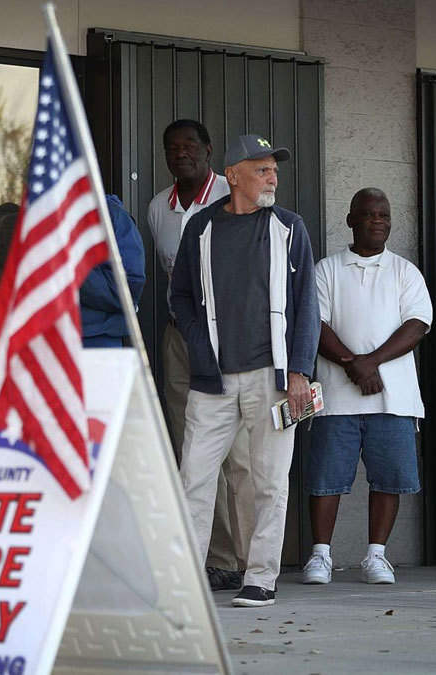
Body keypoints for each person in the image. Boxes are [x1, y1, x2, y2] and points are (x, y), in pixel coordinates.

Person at [171, 133, 319, 608]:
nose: (272, 177)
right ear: (232, 176)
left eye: (274, 169)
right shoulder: (200, 228)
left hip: (272, 378)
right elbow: (179, 296)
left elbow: (307, 305)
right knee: (194, 479)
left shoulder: (289, 228)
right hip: (212, 380)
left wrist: (299, 371)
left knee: (269, 482)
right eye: (261, 170)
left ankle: (261, 578)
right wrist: (197, 341)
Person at [302, 188, 432, 586]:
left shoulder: (405, 271)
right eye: (369, 214)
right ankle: (320, 556)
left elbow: (418, 325)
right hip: (336, 399)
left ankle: (376, 556)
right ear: (350, 220)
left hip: (393, 399)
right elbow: (314, 323)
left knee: (389, 479)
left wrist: (370, 362)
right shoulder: (326, 269)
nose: (378, 220)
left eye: (384, 215)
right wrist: (353, 365)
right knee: (325, 479)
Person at [147, 119, 248, 592]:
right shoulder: (158, 208)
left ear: (209, 151)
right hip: (180, 340)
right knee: (190, 452)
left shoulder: (234, 194)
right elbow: (173, 280)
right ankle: (212, 558)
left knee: (238, 456)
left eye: (190, 145)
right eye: (173, 147)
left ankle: (244, 560)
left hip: (231, 341)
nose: (181, 153)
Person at [80, 194, 145, 347]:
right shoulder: (38, 215)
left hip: (98, 338)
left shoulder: (112, 215)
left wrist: (72, 270)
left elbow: (127, 289)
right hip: (45, 338)